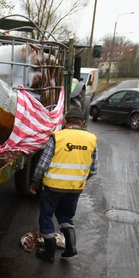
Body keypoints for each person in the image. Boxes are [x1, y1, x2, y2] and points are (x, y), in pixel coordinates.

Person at [29, 105, 97, 262]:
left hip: (53, 188)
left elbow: (42, 165)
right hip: (74, 190)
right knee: (66, 217)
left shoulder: (57, 137)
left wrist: (34, 183)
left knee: (46, 217)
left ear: (65, 121)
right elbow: (93, 169)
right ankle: (71, 248)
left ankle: (49, 254)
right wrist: (77, 180)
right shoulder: (91, 139)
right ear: (83, 122)